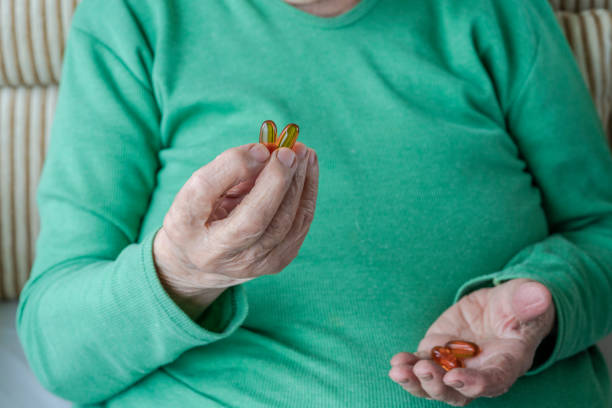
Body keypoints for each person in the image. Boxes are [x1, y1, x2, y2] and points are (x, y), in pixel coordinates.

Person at [16, 0, 612, 406]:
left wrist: (548, 298)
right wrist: (180, 275)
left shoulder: (498, 11)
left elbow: (600, 229)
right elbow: (57, 345)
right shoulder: (134, 15)